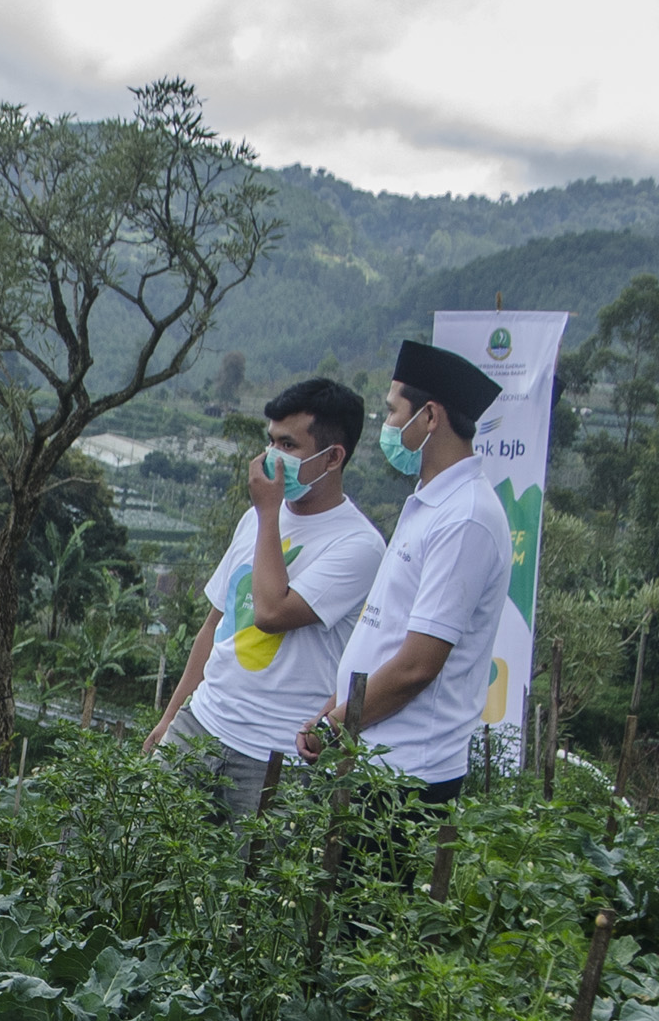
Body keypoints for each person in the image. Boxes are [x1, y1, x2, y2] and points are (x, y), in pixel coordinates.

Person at [143, 376, 382, 817]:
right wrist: (171, 718)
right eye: (270, 441)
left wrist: (269, 512)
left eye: (288, 446)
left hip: (275, 758)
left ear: (333, 457)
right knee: (144, 864)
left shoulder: (358, 546)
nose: (271, 458)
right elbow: (215, 627)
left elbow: (272, 611)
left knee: (249, 882)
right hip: (201, 726)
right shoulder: (253, 519)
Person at [304, 339, 508, 803]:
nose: (387, 426)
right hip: (369, 755)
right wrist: (335, 711)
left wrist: (331, 730)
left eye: (394, 412)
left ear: (430, 417)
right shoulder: (430, 501)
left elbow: (417, 666)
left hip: (404, 777)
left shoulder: (466, 518)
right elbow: (389, 626)